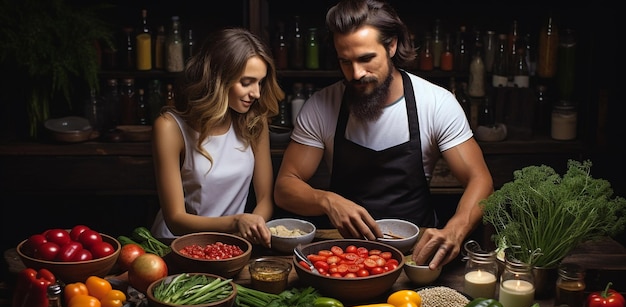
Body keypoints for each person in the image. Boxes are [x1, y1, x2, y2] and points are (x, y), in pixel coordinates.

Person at [273, 0, 493, 269]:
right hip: (345, 256)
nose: (356, 73)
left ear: (392, 46)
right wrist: (326, 200)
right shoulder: (322, 105)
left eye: (366, 59)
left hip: (418, 253)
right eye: (345, 62)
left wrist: (456, 229)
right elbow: (285, 187)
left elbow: (480, 179)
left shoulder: (436, 103)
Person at [150, 28, 285, 248]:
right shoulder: (169, 127)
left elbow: (265, 200)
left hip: (230, 246)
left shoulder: (253, 122)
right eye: (247, 82)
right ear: (218, 78)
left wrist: (252, 226)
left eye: (260, 82)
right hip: (175, 245)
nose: (257, 93)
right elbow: (175, 220)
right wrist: (237, 222)